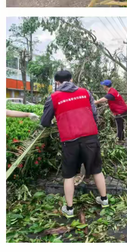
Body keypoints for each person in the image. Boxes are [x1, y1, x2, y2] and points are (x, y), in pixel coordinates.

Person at [41, 70, 108, 219]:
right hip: (90, 136)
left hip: (69, 140)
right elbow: (94, 113)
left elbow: (44, 122)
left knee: (69, 175)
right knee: (97, 169)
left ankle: (69, 209)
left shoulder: (53, 97)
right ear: (71, 80)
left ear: (57, 83)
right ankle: (104, 200)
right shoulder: (85, 92)